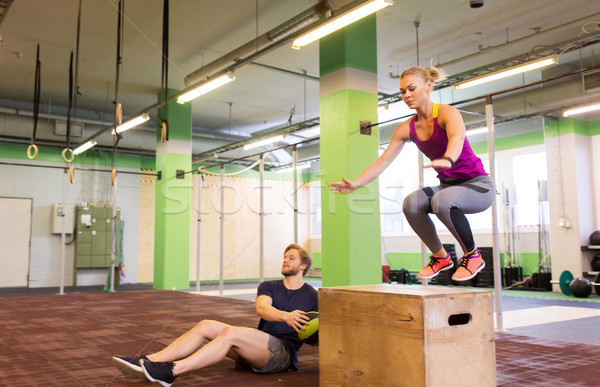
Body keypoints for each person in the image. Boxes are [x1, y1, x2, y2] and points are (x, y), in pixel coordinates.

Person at [328, 66, 495, 282]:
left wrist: (448, 159)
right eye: (402, 91)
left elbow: (456, 137)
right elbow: (383, 161)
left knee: (442, 201)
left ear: (428, 86)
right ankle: (440, 257)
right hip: (449, 187)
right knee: (411, 203)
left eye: (412, 88)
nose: (407, 95)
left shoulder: (447, 113)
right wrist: (357, 184)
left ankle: (472, 256)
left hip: (478, 186)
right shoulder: (406, 128)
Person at [112, 243, 318, 386]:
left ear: (303, 266)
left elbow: (321, 333)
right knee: (205, 325)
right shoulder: (269, 286)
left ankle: (171, 372)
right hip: (257, 348)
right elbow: (262, 308)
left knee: (230, 333)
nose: (285, 260)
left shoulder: (313, 296)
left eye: (291, 258)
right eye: (284, 257)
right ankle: (147, 360)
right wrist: (286, 316)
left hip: (283, 354)